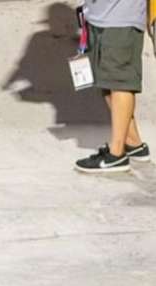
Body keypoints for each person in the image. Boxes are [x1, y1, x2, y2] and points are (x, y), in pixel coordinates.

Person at [75, 0, 150, 173]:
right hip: (97, 16)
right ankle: (134, 143)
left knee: (120, 82)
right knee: (107, 82)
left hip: (122, 19)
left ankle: (117, 155)